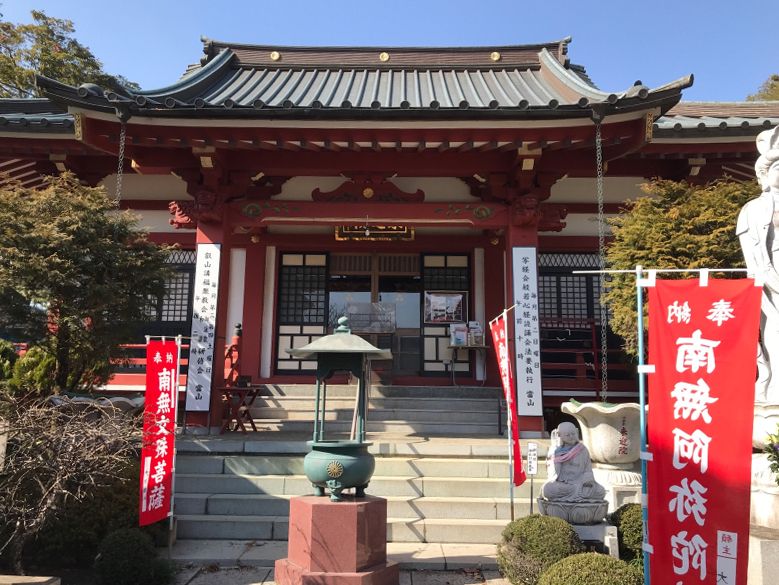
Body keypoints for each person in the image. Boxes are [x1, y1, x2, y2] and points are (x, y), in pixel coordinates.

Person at [737, 125, 779, 404]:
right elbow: (753, 258)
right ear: (765, 173)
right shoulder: (753, 209)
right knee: (774, 330)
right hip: (769, 277)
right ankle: (773, 384)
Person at [541, 421, 606, 502]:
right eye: (567, 435)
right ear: (559, 435)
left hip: (580, 483)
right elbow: (552, 475)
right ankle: (578, 495)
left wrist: (587, 481)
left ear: (576, 432)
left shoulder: (582, 450)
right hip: (564, 485)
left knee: (600, 491)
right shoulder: (555, 450)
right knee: (548, 489)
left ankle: (577, 494)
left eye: (573, 433)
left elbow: (588, 471)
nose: (571, 437)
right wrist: (556, 456)